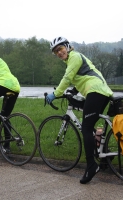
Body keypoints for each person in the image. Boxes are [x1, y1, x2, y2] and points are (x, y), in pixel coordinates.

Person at [46, 36, 113, 184]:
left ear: (68, 46)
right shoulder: (74, 59)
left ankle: (91, 166)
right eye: (56, 51)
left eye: (61, 48)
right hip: (100, 91)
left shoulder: (74, 57)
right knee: (88, 122)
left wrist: (56, 93)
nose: (59, 52)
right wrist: (73, 91)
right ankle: (105, 155)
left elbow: (68, 77)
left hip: (95, 91)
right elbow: (82, 77)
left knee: (86, 128)